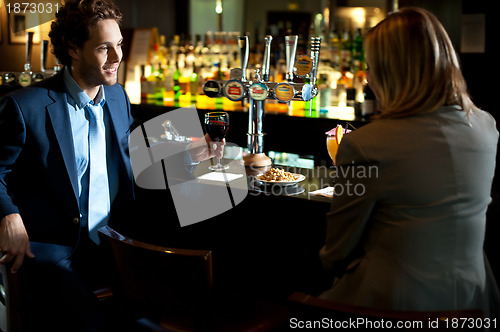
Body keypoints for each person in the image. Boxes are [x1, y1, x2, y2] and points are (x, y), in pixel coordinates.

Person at [0, 0, 222, 330]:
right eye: (105, 48)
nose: (118, 57)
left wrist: (188, 154)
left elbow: (130, 154)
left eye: (119, 44)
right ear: (73, 48)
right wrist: (8, 215)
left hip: (114, 243)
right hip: (55, 248)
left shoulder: (117, 96)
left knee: (156, 319)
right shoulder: (24, 105)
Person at [319, 7, 500, 319]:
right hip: (474, 300)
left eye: (371, 67)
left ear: (392, 73)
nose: (367, 77)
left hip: (394, 309)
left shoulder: (365, 144)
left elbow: (336, 253)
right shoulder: (486, 126)